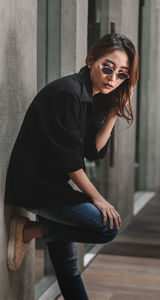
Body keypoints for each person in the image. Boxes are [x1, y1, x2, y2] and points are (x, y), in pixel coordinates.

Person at [5, 33, 139, 299]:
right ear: (91, 59)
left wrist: (114, 112)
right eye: (107, 68)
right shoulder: (68, 93)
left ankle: (31, 230)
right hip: (37, 187)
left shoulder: (91, 95)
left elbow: (93, 150)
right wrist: (99, 199)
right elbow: (70, 162)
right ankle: (29, 230)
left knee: (68, 269)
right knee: (106, 227)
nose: (113, 79)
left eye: (122, 75)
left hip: (52, 186)